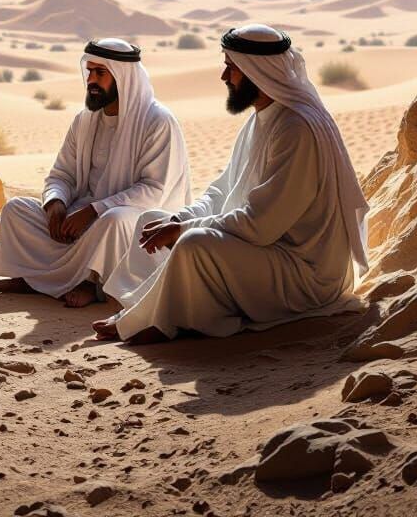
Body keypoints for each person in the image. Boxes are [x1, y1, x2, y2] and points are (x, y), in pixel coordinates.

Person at [93, 24, 370, 344]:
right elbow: (222, 191)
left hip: (305, 273)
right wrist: (178, 220)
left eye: (231, 68)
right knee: (152, 221)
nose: (225, 77)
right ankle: (144, 310)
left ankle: (162, 320)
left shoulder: (297, 129)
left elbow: (260, 225)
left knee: (193, 244)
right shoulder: (263, 118)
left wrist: (183, 230)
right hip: (266, 252)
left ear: (258, 72)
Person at [0, 38, 191, 307]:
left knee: (113, 221)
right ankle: (31, 278)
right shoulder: (84, 120)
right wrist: (55, 203)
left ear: (123, 78)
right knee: (16, 209)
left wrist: (95, 210)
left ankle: (92, 283)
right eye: (89, 71)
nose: (91, 79)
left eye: (100, 73)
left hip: (133, 218)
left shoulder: (157, 121)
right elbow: (61, 174)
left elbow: (154, 191)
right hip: (81, 218)